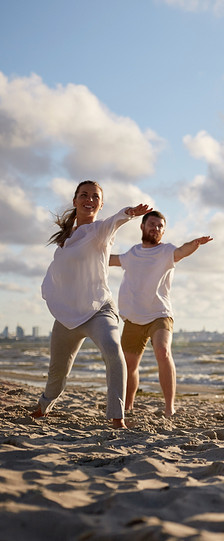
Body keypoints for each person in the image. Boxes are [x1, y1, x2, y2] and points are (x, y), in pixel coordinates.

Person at [31, 180, 151, 429]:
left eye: (95, 197)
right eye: (84, 195)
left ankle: (117, 417)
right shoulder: (67, 237)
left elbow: (116, 220)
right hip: (67, 315)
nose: (89, 199)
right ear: (75, 201)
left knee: (113, 351)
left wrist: (129, 212)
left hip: (98, 310)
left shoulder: (101, 230)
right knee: (57, 372)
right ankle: (44, 406)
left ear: (100, 204)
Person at [108, 211, 213, 417]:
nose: (155, 228)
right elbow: (109, 260)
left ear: (163, 231)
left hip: (160, 314)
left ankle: (169, 407)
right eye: (152, 224)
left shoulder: (167, 252)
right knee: (129, 365)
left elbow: (182, 251)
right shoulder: (132, 254)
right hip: (133, 318)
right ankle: (128, 406)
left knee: (163, 352)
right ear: (143, 227)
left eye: (160, 226)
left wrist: (194, 244)